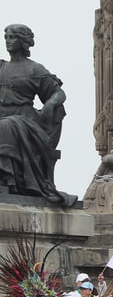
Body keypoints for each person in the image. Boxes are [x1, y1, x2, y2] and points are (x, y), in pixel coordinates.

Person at [0, 24, 74, 205]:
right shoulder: (2, 67)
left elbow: (59, 93)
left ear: (23, 41)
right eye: (6, 37)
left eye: (13, 37)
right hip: (4, 115)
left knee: (6, 126)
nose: (8, 41)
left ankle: (8, 181)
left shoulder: (35, 70)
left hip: (25, 120)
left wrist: (50, 103)